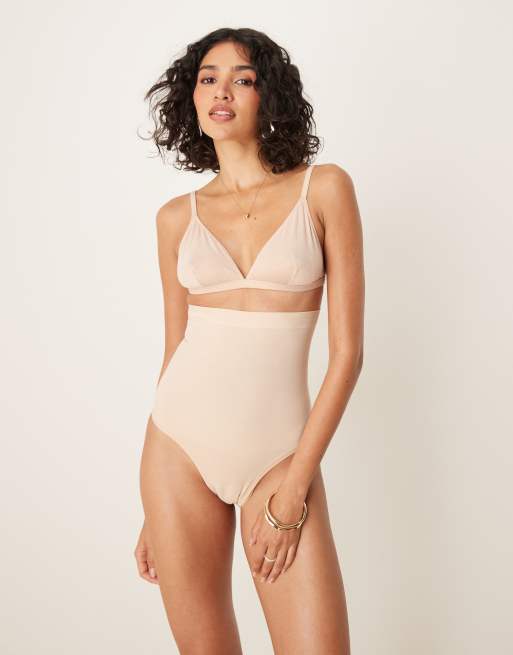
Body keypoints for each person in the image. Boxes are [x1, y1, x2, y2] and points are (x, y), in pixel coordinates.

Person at [135, 27, 364, 655]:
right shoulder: (175, 218)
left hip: (280, 457)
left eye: (243, 78)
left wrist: (295, 487)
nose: (222, 91)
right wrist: (153, 511)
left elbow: (347, 355)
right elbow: (175, 348)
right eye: (208, 79)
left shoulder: (325, 188)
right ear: (191, 97)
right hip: (177, 450)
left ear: (270, 95)